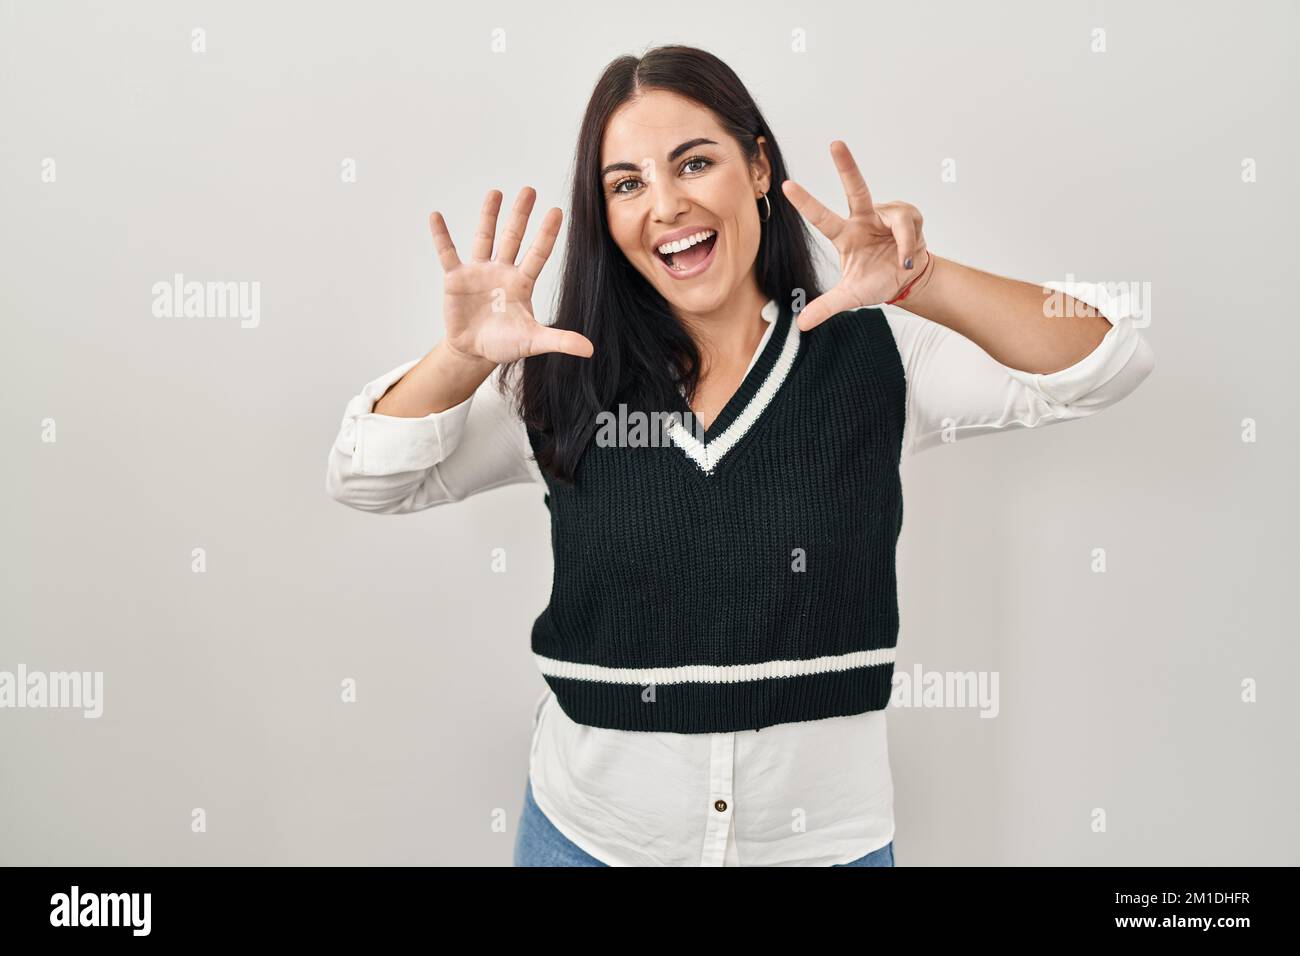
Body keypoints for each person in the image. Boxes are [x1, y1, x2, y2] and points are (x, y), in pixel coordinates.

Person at [325, 45, 1156, 867]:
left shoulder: (878, 358)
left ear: (759, 168)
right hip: (591, 841)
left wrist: (924, 280)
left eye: (693, 163)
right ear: (607, 217)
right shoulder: (558, 377)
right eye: (627, 184)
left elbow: (1104, 363)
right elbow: (368, 477)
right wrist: (465, 358)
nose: (664, 205)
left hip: (824, 848)